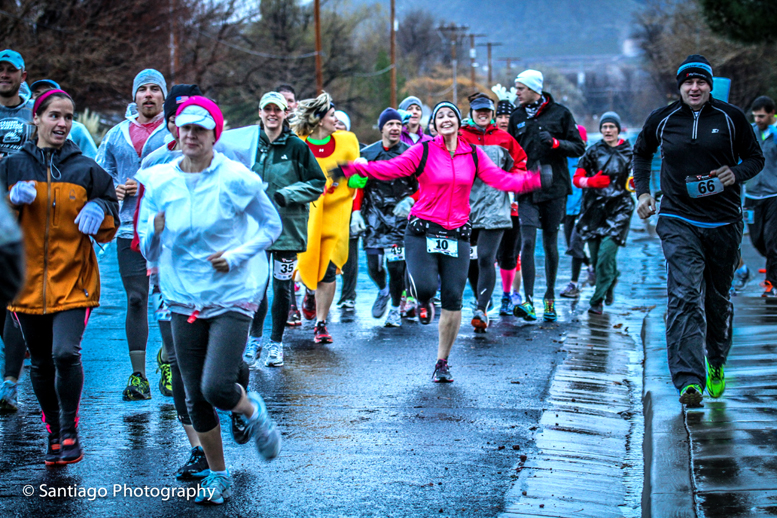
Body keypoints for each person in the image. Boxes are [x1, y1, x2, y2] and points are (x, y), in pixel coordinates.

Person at [136, 96, 282, 505]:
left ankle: (255, 413)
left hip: (234, 293)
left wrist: (235, 255)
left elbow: (270, 226)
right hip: (183, 297)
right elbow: (148, 250)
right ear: (176, 132)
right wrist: (155, 231)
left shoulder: (236, 177)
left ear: (215, 134)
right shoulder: (161, 179)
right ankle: (219, 475)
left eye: (200, 129)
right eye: (185, 128)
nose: (191, 135)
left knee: (216, 385)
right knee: (191, 394)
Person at [335, 101, 541, 382]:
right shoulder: (423, 150)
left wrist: (534, 181)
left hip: (457, 233)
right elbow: (391, 169)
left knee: (453, 301)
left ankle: (442, 361)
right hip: (422, 231)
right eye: (440, 116)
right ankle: (412, 286)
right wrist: (354, 169)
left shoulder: (474, 154)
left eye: (451, 115)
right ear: (434, 125)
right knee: (426, 289)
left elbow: (502, 180)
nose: (446, 119)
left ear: (458, 122)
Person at [633, 55, 764, 406]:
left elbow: (756, 158)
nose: (694, 88)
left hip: (724, 222)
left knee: (717, 300)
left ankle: (716, 359)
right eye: (688, 83)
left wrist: (734, 174)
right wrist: (643, 192)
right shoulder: (663, 119)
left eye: (701, 82)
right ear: (679, 87)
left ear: (709, 86)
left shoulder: (731, 117)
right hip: (678, 219)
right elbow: (641, 153)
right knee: (684, 295)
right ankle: (689, 380)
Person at [0, 89, 119, 464]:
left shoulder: (86, 168)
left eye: (68, 117)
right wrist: (10, 202)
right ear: (35, 118)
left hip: (74, 279)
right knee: (40, 362)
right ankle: (53, 432)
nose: (62, 123)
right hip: (24, 283)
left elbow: (111, 211)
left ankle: (69, 431)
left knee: (65, 353)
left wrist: (100, 209)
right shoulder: (12, 167)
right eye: (54, 115)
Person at [236, 92, 326, 367]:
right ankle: (254, 341)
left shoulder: (297, 147)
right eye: (268, 109)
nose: (272, 114)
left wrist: (290, 193)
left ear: (286, 113)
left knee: (282, 287)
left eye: (278, 109)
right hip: (255, 231)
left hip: (287, 230)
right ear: (260, 113)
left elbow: (317, 182)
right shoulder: (250, 146)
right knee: (257, 288)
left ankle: (276, 344)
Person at [96, 69, 168, 400]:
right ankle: (138, 374)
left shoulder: (175, 132)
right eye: (143, 89)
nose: (149, 95)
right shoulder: (116, 134)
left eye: (155, 89)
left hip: (166, 228)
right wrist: (114, 189)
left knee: (167, 297)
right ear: (135, 97)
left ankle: (168, 361)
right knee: (137, 297)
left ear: (163, 96)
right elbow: (100, 174)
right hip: (128, 228)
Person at [507, 69, 585, 322]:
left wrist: (555, 143)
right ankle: (528, 300)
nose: (516, 93)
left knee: (550, 243)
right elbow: (508, 151)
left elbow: (578, 147)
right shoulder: (516, 116)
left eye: (520, 88)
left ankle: (548, 297)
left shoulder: (561, 113)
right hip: (526, 189)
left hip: (555, 188)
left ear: (534, 90)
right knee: (527, 242)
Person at [293, 92, 361, 344]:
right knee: (308, 265)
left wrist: (359, 173)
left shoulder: (348, 141)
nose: (337, 120)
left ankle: (321, 322)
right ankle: (309, 291)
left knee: (330, 268)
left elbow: (356, 181)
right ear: (320, 120)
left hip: (336, 214)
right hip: (306, 215)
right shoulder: (298, 143)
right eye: (332, 116)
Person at [459, 92, 528, 331]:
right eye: (478, 111)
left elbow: (520, 164)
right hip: (464, 209)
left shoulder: (504, 139)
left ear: (492, 114)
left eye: (487, 111)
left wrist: (510, 181)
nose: (483, 115)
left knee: (488, 257)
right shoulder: (460, 136)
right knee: (471, 260)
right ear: (471, 113)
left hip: (496, 209)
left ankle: (481, 308)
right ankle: (482, 303)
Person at [358, 108, 415, 327]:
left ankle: (394, 310)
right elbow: (359, 187)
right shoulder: (368, 154)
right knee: (373, 265)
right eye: (390, 124)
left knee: (396, 267)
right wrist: (355, 212)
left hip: (400, 218)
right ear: (382, 127)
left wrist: (411, 200)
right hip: (373, 217)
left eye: (398, 124)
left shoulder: (411, 152)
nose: (395, 128)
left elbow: (422, 184)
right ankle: (383, 290)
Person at [573, 112, 634, 314]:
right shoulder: (593, 152)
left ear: (618, 129)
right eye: (604, 127)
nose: (608, 130)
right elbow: (577, 178)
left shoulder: (629, 152)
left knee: (605, 256)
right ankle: (611, 278)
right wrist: (591, 182)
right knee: (598, 257)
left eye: (611, 127)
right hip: (594, 210)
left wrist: (637, 186)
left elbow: (637, 177)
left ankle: (596, 301)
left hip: (620, 210)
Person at [0, 49, 33, 412]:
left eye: (11, 70)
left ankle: (10, 382)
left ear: (23, 75)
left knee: (14, 298)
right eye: (0, 70)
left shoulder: (33, 113)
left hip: (21, 216)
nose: (4, 75)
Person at [744, 96, 777, 296]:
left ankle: (771, 283)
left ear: (772, 113)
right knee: (757, 240)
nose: (758, 119)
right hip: (752, 195)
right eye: (755, 116)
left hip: (774, 195)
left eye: (762, 116)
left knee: (772, 239)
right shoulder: (749, 133)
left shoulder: (776, 134)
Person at [333, 108, 362, 308]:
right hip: (324, 211)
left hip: (348, 209)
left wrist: (356, 211)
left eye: (341, 123)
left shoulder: (353, 149)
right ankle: (315, 294)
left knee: (350, 256)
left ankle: (348, 296)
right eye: (333, 122)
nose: (337, 126)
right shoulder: (320, 148)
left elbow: (359, 184)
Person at [560, 125, 592, 299]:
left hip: (584, 211)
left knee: (576, 245)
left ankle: (574, 283)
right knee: (571, 246)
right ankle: (591, 266)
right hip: (567, 211)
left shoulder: (588, 159)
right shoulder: (563, 159)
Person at [30, 79, 98, 159]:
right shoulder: (23, 126)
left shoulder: (77, 129)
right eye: (37, 94)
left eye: (68, 117)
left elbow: (93, 159)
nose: (62, 124)